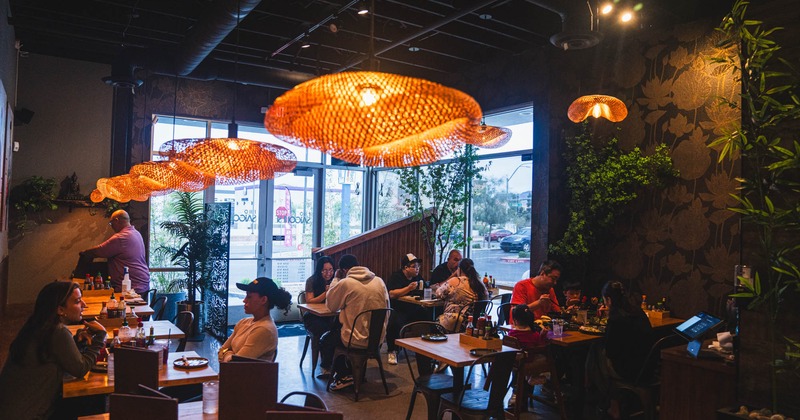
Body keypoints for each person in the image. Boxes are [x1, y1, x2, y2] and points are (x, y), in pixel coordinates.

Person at [0, 281, 107, 419]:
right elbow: (80, 369)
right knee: (93, 401)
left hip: (11, 410)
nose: (84, 305)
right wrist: (100, 337)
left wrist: (76, 343)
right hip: (29, 414)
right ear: (60, 310)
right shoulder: (57, 332)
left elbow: (55, 356)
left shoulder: (38, 326)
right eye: (77, 301)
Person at [320, 254, 389, 391]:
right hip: (377, 340)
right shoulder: (379, 281)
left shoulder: (346, 283)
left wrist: (336, 279)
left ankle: (343, 376)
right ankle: (358, 375)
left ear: (344, 270)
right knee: (341, 331)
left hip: (355, 340)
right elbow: (387, 308)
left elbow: (331, 306)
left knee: (327, 340)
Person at [601, 280, 654, 419]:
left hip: (629, 370)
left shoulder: (616, 319)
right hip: (648, 366)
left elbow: (610, 351)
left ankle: (609, 403)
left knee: (597, 355)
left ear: (609, 300)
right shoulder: (638, 311)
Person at [218, 277, 292, 362]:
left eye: (249, 297)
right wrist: (229, 354)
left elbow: (234, 364)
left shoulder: (264, 330)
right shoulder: (243, 322)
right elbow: (222, 351)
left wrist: (227, 353)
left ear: (263, 300)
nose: (244, 300)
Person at [80, 210, 150, 294]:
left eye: (111, 223)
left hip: (131, 287)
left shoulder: (121, 237)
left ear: (116, 220)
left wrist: (84, 252)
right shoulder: (136, 233)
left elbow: (99, 251)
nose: (111, 226)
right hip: (142, 283)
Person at [385, 253, 430, 365]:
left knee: (428, 318)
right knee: (394, 322)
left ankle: (428, 350)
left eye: (418, 266)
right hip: (399, 308)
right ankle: (392, 350)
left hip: (414, 307)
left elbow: (426, 289)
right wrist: (408, 288)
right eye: (414, 267)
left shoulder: (418, 278)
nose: (417, 269)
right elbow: (392, 294)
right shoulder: (396, 277)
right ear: (405, 267)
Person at [506, 304, 549, 408]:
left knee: (522, 364)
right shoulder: (533, 335)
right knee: (543, 357)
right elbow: (540, 345)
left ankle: (522, 385)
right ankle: (533, 375)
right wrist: (542, 335)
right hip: (529, 360)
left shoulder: (511, 334)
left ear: (515, 321)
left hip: (514, 361)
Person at [432, 258, 488, 332]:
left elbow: (438, 293)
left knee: (434, 323)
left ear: (459, 269)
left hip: (457, 322)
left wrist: (453, 275)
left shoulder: (456, 281)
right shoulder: (480, 283)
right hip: (476, 322)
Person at [302, 256, 336, 375]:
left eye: (331, 270)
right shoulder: (312, 281)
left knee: (340, 330)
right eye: (324, 270)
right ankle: (325, 365)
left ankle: (336, 365)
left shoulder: (336, 281)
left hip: (330, 315)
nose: (328, 273)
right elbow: (309, 301)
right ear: (319, 270)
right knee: (324, 331)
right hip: (313, 316)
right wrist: (326, 293)